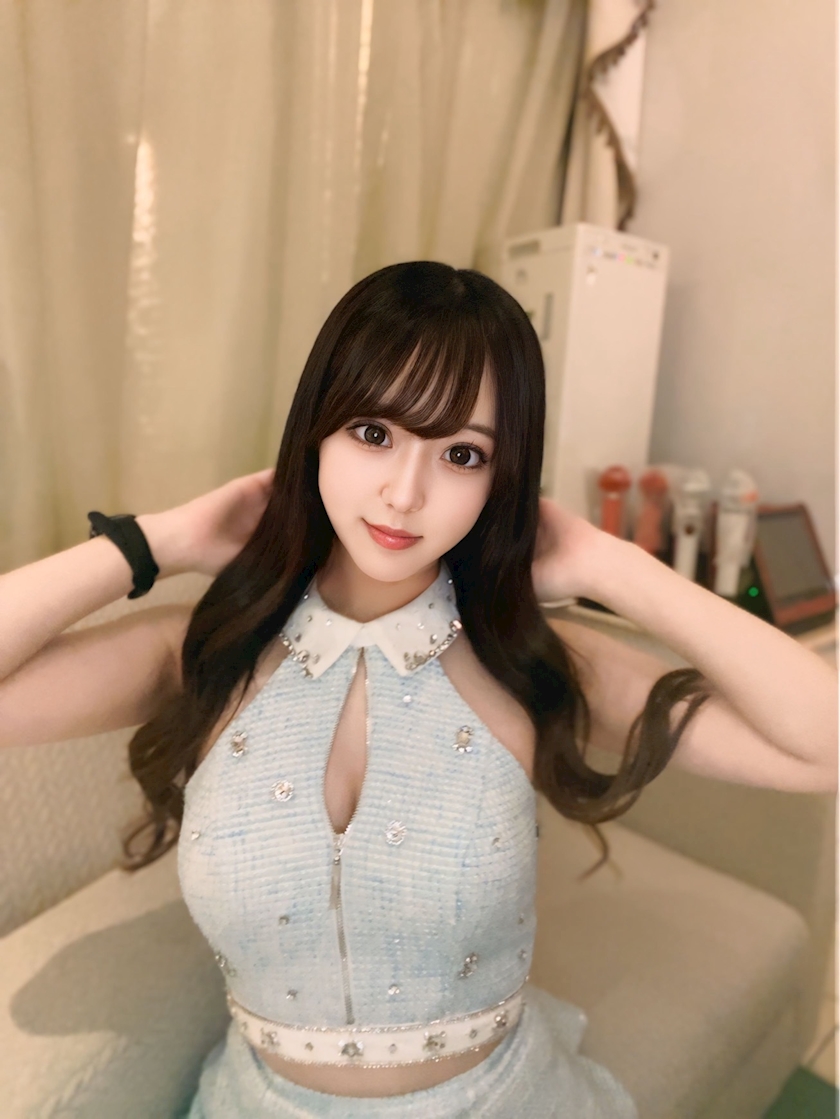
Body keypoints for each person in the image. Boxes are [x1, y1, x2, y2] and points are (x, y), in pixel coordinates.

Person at [0, 262, 835, 1118]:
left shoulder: (530, 656)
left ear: (503, 479)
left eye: (462, 454)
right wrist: (153, 543)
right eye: (373, 432)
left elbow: (824, 746)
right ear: (315, 433)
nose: (405, 494)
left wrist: (607, 564)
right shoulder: (207, 647)